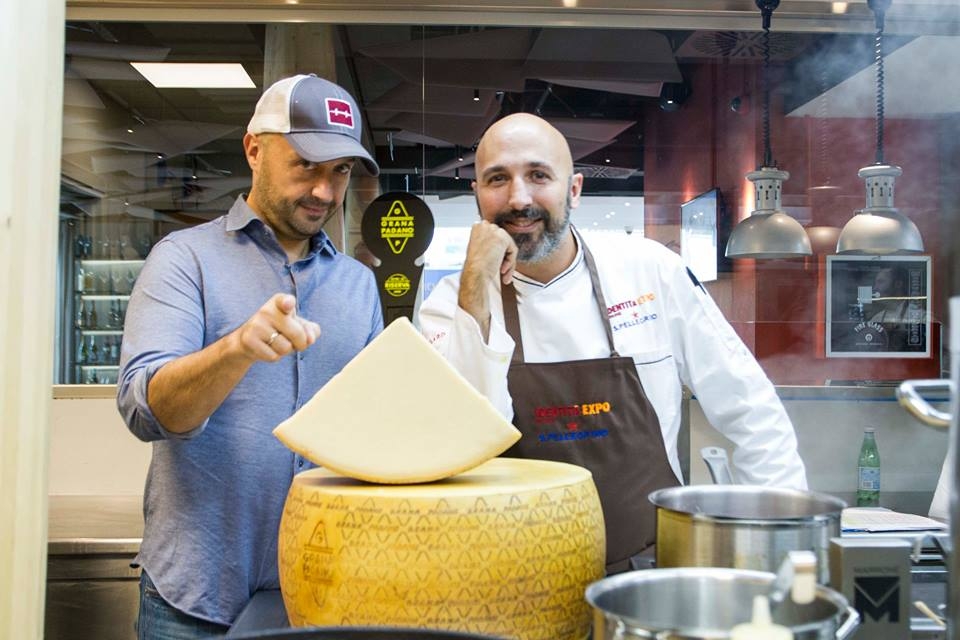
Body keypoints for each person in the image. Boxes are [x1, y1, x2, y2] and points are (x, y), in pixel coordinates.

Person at [418, 113, 807, 573]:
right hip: (511, 584)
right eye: (497, 179)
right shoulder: (451, 305)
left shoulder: (649, 270)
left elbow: (750, 408)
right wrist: (475, 292)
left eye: (539, 175)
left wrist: (781, 550)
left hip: (649, 575)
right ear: (478, 195)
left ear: (575, 190)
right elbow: (461, 441)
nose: (518, 198)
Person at [117, 74, 382, 637]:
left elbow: (368, 435)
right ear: (254, 149)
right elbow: (148, 413)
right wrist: (235, 349)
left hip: (322, 593)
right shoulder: (183, 260)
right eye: (306, 165)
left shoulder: (359, 285)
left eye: (340, 171)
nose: (325, 192)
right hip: (194, 599)